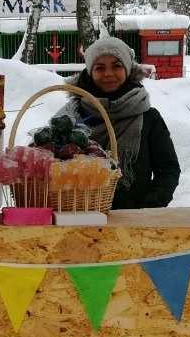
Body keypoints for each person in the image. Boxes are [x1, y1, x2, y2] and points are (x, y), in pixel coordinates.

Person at [58, 36, 180, 210]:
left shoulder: (149, 118)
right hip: (78, 217)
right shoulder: (71, 117)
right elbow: (50, 165)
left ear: (128, 69)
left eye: (117, 66)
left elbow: (168, 171)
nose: (108, 73)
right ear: (90, 72)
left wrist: (146, 208)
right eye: (100, 68)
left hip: (132, 223)